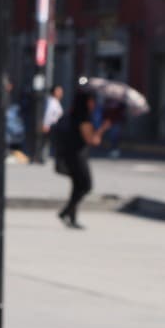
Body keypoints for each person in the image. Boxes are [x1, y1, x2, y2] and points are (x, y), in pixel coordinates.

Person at [56, 81, 105, 229]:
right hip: (77, 156)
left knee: (77, 186)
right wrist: (103, 128)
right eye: (92, 100)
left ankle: (71, 215)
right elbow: (91, 139)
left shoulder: (74, 114)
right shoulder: (83, 117)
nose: (93, 104)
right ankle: (66, 212)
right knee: (86, 185)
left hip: (71, 154)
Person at [40, 84, 64, 165]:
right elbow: (48, 113)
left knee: (47, 142)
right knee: (47, 141)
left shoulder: (55, 101)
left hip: (53, 125)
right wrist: (46, 124)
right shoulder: (52, 102)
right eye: (59, 91)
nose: (61, 93)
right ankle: (43, 157)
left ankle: (44, 156)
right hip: (51, 125)